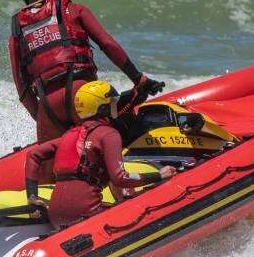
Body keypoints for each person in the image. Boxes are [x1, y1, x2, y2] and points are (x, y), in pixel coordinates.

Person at [9, 0, 166, 143]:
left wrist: (43, 118)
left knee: (52, 163)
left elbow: (21, 86)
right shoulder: (74, 10)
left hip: (48, 105)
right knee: (117, 134)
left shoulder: (18, 32)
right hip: (83, 94)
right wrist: (138, 79)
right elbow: (107, 44)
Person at [24, 80, 176, 229]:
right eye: (113, 102)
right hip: (86, 213)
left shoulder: (69, 135)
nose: (115, 105)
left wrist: (32, 196)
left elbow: (33, 155)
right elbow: (120, 178)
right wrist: (158, 175)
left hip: (55, 216)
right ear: (103, 107)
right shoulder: (109, 134)